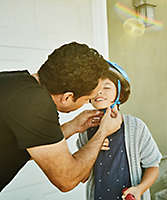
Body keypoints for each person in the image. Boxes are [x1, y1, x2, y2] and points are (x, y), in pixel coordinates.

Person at [0, 42, 122, 192]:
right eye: (87, 99)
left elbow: (36, 148)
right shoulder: (36, 105)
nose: (87, 104)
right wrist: (103, 132)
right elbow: (67, 179)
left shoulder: (16, 83)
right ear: (67, 97)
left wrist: (73, 126)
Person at [77, 61, 162, 200]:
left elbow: (153, 165)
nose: (99, 92)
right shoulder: (85, 130)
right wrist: (90, 149)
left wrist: (139, 189)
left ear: (120, 94)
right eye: (95, 87)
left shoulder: (136, 127)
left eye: (107, 87)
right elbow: (83, 177)